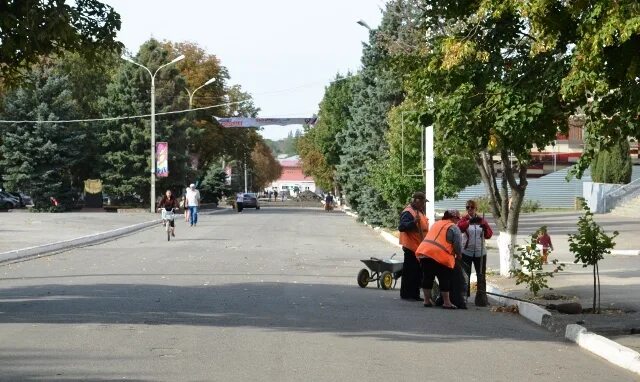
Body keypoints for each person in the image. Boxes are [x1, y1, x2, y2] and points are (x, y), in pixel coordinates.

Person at [416, 209, 463, 309]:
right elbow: (457, 244)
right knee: (444, 278)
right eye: (458, 218)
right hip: (440, 256)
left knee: (427, 277)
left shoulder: (436, 224)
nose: (458, 221)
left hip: (425, 253)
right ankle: (446, 302)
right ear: (453, 218)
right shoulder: (454, 228)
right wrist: (459, 255)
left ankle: (426, 300)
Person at [457, 199, 493, 307]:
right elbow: (459, 228)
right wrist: (469, 222)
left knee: (481, 276)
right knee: (465, 275)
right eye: (467, 207)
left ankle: (481, 299)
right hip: (466, 252)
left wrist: (485, 227)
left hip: (480, 252)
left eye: (472, 207)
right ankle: (464, 298)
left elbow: (489, 235)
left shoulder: (482, 220)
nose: (469, 209)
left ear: (476, 208)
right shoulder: (464, 219)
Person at [398, 192, 429, 301]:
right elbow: (402, 226)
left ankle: (415, 294)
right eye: (422, 202)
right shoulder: (408, 212)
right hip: (411, 246)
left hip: (419, 246)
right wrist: (413, 222)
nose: (423, 205)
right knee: (409, 272)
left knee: (416, 272)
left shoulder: (419, 211)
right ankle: (406, 294)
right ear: (417, 201)